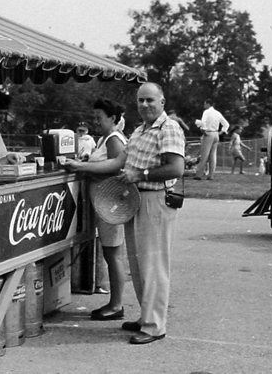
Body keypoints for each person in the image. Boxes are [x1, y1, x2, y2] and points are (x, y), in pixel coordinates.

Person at [65, 82, 185, 345]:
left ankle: (154, 326)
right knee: (139, 263)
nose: (144, 105)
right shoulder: (140, 131)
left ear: (162, 102)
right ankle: (146, 317)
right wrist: (80, 166)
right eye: (141, 100)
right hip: (136, 200)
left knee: (153, 265)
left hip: (155, 199)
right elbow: (118, 162)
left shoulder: (169, 128)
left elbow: (176, 168)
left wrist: (140, 174)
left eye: (150, 100)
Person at [84, 98, 128, 321]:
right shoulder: (104, 139)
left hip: (111, 204)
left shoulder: (113, 140)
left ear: (112, 119)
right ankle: (114, 302)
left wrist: (85, 168)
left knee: (113, 254)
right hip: (104, 204)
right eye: (94, 118)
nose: (96, 122)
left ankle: (116, 304)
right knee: (110, 253)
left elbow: (115, 169)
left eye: (99, 118)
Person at [194, 99, 229, 180]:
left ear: (208, 104)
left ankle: (199, 174)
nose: (204, 105)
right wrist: (222, 131)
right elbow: (226, 124)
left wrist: (203, 129)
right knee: (213, 155)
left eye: (205, 104)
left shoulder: (206, 112)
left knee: (204, 155)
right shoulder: (218, 113)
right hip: (216, 133)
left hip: (208, 133)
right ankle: (211, 175)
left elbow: (203, 122)